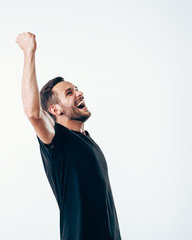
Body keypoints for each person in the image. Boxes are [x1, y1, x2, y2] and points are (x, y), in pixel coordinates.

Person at [15, 32, 122, 240]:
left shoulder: (88, 141)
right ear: (55, 110)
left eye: (76, 89)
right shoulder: (58, 141)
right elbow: (33, 113)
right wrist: (29, 52)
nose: (79, 93)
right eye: (69, 93)